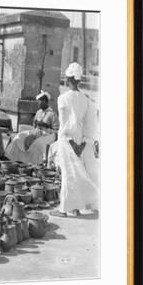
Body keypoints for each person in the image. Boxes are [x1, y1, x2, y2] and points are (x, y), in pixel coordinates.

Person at [52, 62, 98, 217]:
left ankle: (65, 209)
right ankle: (75, 208)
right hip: (79, 138)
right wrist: (83, 143)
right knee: (76, 172)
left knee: (68, 173)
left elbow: (64, 123)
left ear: (69, 79)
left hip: (67, 139)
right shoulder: (86, 100)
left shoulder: (63, 98)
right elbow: (90, 124)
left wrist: (70, 142)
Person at [5, 90, 59, 164]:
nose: (37, 104)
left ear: (44, 101)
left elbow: (56, 130)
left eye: (39, 102)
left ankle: (36, 163)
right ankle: (15, 158)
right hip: (36, 132)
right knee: (19, 137)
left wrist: (45, 126)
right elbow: (34, 126)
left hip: (47, 134)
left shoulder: (52, 114)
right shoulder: (38, 112)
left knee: (37, 144)